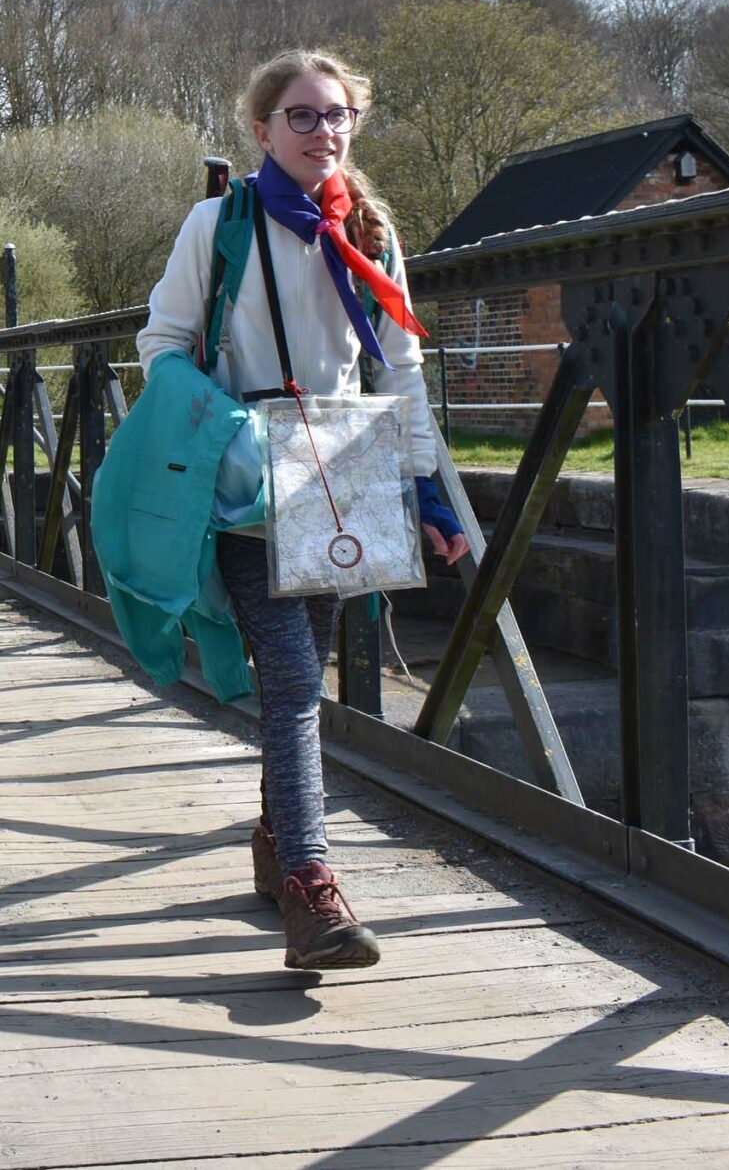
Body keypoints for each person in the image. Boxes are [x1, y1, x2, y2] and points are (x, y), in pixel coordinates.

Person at [133, 48, 468, 970]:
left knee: (301, 672)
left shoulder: (370, 230)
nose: (324, 132)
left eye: (338, 116)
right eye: (303, 116)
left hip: (340, 477)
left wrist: (428, 487)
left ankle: (278, 841)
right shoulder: (219, 224)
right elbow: (159, 343)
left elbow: (399, 371)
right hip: (248, 481)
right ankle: (313, 888)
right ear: (262, 126)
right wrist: (221, 423)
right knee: (289, 680)